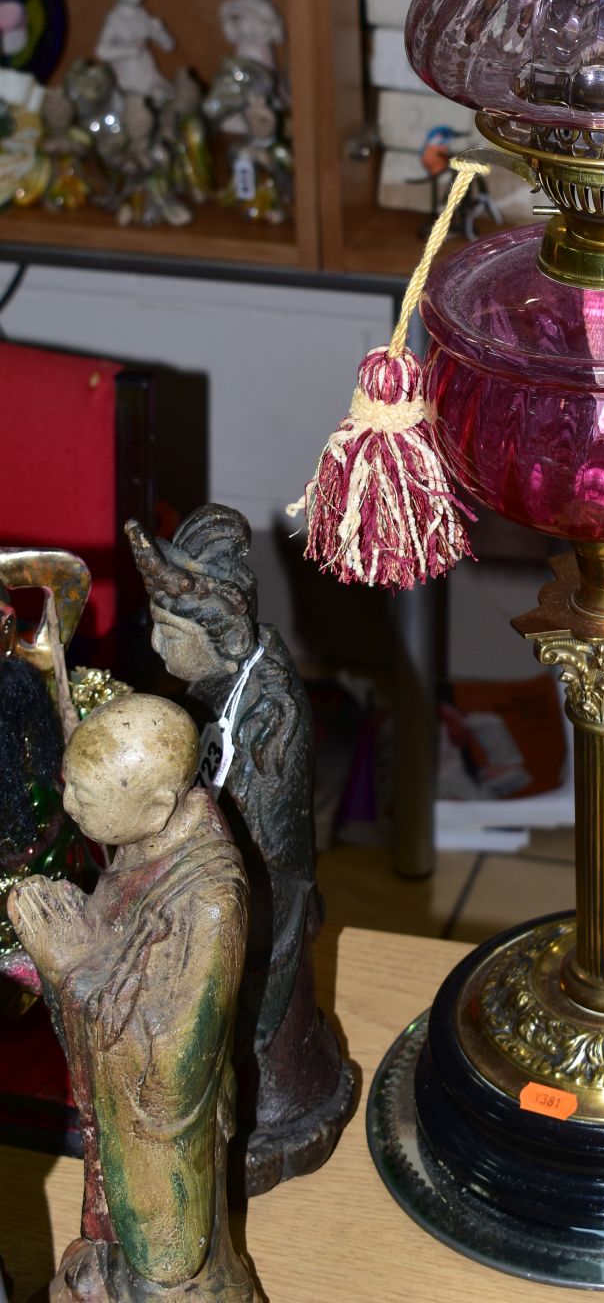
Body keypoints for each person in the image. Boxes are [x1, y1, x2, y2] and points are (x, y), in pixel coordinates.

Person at [125, 506, 352, 1193]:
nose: (162, 653)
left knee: (251, 1015)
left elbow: (266, 834)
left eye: (173, 635)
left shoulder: (272, 710)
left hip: (262, 899)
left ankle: (263, 1102)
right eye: (157, 631)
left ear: (219, 635)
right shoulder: (214, 685)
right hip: (220, 882)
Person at [6, 694, 257, 1301]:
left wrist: (70, 968)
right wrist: (58, 950)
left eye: (86, 799)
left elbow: (172, 1062)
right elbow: (119, 949)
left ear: (155, 805)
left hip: (164, 1139)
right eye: (72, 787)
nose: (66, 805)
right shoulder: (148, 844)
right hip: (121, 1128)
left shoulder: (211, 900)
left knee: (165, 1276)